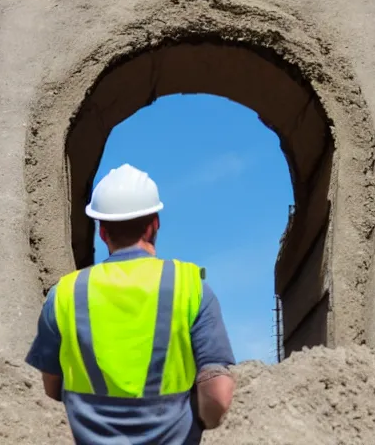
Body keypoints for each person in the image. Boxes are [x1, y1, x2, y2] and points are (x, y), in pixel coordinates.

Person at [25, 163, 236, 444]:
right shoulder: (191, 287)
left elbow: (49, 392)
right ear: (154, 225)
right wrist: (204, 423)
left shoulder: (65, 293)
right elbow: (218, 394)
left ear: (102, 232)